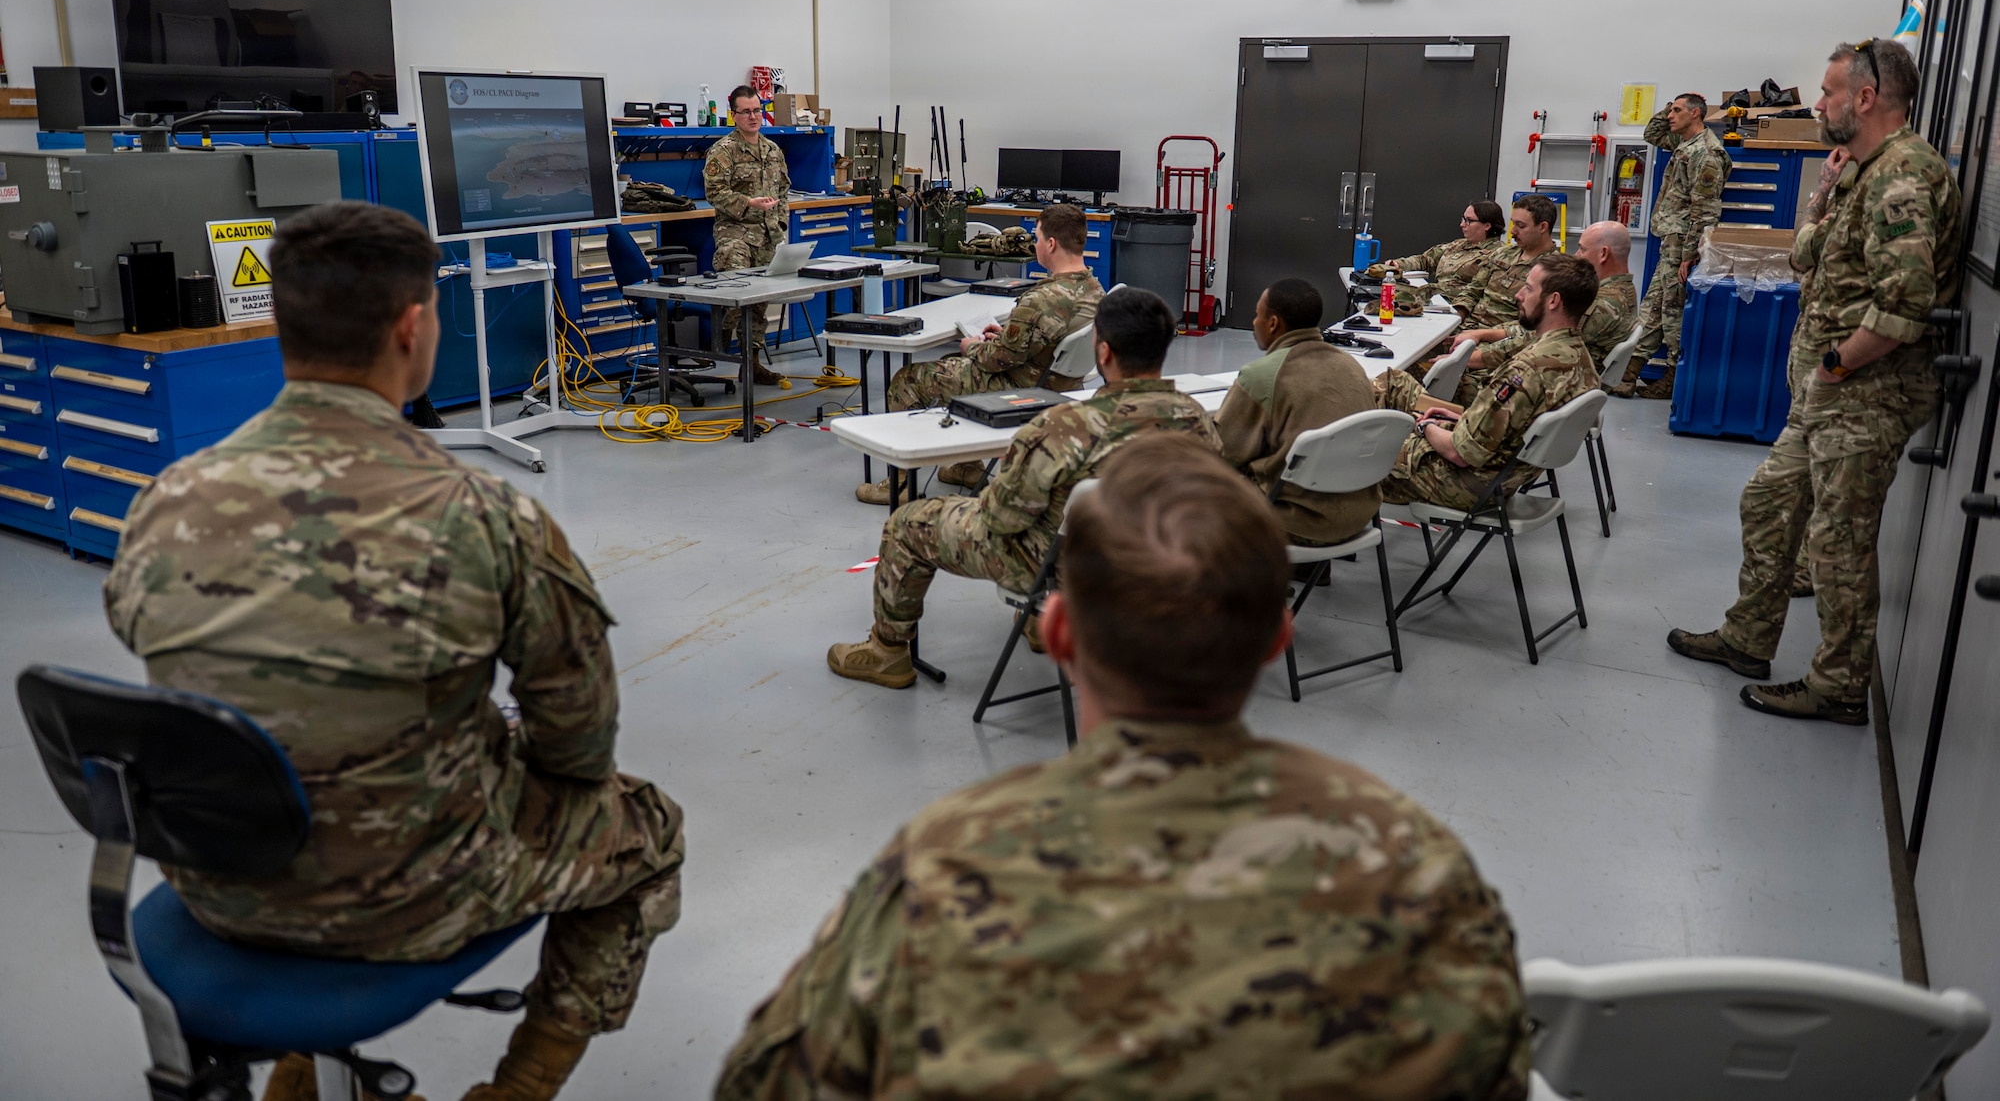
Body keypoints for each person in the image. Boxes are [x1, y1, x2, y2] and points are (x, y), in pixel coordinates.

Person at [721, 437, 1534, 1100]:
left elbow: (766, 1083)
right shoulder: (1420, 872)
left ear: (1063, 633)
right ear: (1275, 639)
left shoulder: (939, 870)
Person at [103, 204, 686, 1101]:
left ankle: (302, 1067)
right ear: (412, 329)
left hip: (217, 887)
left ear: (282, 325)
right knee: (648, 825)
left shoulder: (168, 499)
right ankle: (521, 1086)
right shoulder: (486, 515)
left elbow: (169, 652)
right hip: (407, 899)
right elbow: (580, 743)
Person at [1669, 39, 1962, 725]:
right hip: (1834, 398)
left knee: (1838, 544)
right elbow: (1811, 254)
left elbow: (1902, 308)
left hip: (1869, 395)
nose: (1819, 104)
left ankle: (1837, 686)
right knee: (1769, 501)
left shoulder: (1902, 178)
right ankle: (1747, 638)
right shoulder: (1867, 170)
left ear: (1864, 98)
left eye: (1829, 92)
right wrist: (1825, 191)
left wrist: (1835, 366)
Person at [828, 287, 1216, 688]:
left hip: (1069, 571)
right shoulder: (1198, 421)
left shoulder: (1065, 426)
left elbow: (999, 517)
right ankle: (1039, 621)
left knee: (907, 524)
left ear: (1103, 353)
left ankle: (887, 653)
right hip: (1153, 570)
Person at [856, 203, 1105, 505]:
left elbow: (994, 360)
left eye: (1037, 238)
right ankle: (966, 467)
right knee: (956, 365)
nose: (1036, 244)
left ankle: (899, 485)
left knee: (908, 378)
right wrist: (1008, 336)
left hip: (1022, 389)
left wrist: (971, 345)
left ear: (1051, 244)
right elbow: (1043, 340)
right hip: (1062, 385)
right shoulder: (1096, 291)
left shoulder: (1041, 299)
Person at [1376, 255, 1601, 512]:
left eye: (1528, 288)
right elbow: (1512, 425)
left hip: (1463, 483)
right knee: (1396, 381)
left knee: (1355, 451)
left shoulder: (1526, 370)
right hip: (1501, 474)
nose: (1518, 295)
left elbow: (1459, 454)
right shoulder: (1581, 359)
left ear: (1553, 301)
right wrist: (1460, 421)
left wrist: (1425, 427)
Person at [1216, 276, 1379, 546]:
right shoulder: (1351, 365)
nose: (1254, 321)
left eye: (1257, 315)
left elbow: (1222, 454)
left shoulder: (1262, 375)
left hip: (1296, 523)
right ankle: (1309, 569)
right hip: (1358, 515)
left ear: (1273, 323)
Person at [1615, 92, 1731, 398]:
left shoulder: (1705, 154)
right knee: (1653, 309)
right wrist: (1671, 104)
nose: (1669, 115)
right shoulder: (1683, 145)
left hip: (1682, 246)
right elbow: (1651, 134)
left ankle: (1675, 380)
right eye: (1671, 110)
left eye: (1677, 110)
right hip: (1670, 243)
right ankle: (1628, 374)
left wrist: (1690, 256)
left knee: (1673, 313)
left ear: (1696, 114)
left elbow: (1705, 211)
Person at [1463, 220, 1639, 377]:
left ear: (1603, 254)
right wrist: (1486, 333)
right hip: (1548, 371)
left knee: (1451, 377)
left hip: (1545, 379)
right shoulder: (1618, 292)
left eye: (1582, 249)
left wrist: (1474, 357)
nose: (1577, 255)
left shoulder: (1605, 305)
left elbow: (1536, 338)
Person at [704, 83, 792, 387]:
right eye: (746, 112)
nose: (753, 116)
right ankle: (722, 337)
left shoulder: (772, 150)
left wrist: (780, 223)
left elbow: (783, 190)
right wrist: (748, 203)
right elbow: (714, 193)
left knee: (759, 303)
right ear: (734, 115)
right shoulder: (723, 150)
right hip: (736, 234)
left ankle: (751, 364)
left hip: (767, 235)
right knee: (739, 293)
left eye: (758, 110)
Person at [1365, 199, 1507, 315]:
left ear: (1487, 226)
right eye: (1463, 219)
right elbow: (1426, 260)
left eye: (1469, 221)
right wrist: (1398, 264)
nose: (1462, 225)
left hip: (1457, 310)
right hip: (1433, 302)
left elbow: (1481, 293)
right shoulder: (1458, 245)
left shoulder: (1498, 255)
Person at [1456, 195, 1560, 333]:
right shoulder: (1503, 253)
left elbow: (1533, 327)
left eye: (1521, 225)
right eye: (1513, 223)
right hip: (1466, 328)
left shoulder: (1554, 269)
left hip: (1500, 341)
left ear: (1542, 227)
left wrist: (1481, 335)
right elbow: (1473, 290)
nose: (1512, 231)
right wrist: (1456, 315)